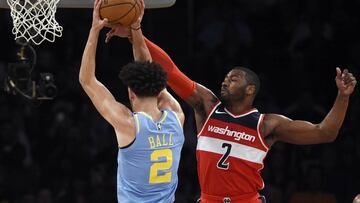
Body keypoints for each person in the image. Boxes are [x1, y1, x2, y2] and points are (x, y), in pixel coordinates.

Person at [106, 17, 357, 202]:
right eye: (226, 77)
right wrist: (135, 34)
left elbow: (325, 132)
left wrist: (343, 97)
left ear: (250, 90)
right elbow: (170, 71)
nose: (225, 81)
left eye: (234, 78)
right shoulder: (207, 106)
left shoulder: (267, 124)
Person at [79, 0, 185, 202]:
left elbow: (87, 80)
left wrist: (95, 29)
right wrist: (134, 29)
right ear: (158, 88)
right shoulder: (176, 118)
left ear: (130, 93)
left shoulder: (129, 125)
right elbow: (148, 69)